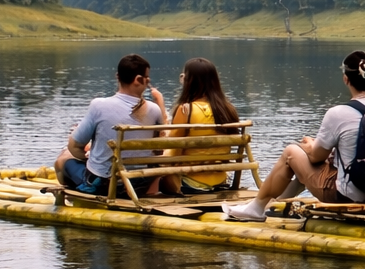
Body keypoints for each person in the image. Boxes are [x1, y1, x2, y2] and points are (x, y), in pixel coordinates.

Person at [222, 50, 365, 220]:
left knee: (291, 152)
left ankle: (256, 208)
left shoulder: (338, 113)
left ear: (346, 79)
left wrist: (309, 145)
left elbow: (316, 157)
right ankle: (273, 204)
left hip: (349, 195)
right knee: (309, 166)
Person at [55, 54, 166, 195]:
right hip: (140, 184)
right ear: (138, 80)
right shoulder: (154, 110)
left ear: (117, 76)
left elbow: (74, 146)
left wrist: (91, 158)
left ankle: (73, 196)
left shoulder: (99, 105)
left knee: (63, 159)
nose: (148, 81)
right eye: (147, 78)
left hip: (105, 186)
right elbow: (159, 149)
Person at [160, 57, 241, 196]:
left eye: (183, 76)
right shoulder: (228, 109)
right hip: (221, 181)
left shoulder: (186, 110)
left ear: (190, 82)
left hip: (191, 183)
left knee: (158, 175)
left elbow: (174, 151)